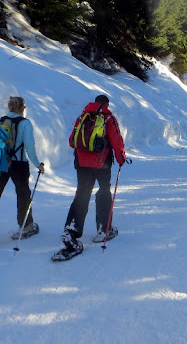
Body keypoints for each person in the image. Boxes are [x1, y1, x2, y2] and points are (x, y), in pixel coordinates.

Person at [0, 96, 45, 249]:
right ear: (22, 108)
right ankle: (26, 226)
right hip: (18, 164)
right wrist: (38, 164)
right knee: (23, 193)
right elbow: (29, 146)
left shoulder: (0, 121)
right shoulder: (25, 123)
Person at [59, 94, 126, 256]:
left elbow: (71, 141)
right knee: (103, 191)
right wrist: (121, 158)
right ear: (106, 104)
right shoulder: (108, 118)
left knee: (82, 193)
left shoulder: (83, 116)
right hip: (102, 162)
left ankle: (71, 230)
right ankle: (104, 229)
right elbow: (117, 140)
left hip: (81, 163)